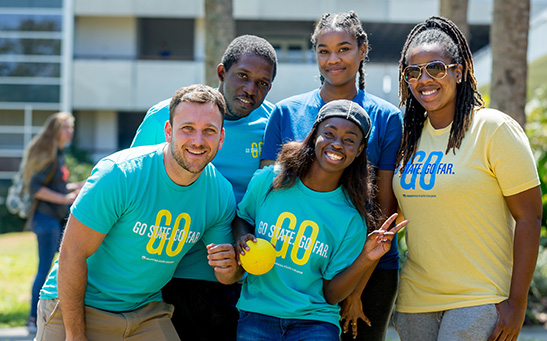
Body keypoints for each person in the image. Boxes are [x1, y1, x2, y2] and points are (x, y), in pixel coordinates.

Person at [35, 84, 242, 340]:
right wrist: (75, 336)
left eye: (209, 131)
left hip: (145, 312)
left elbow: (226, 275)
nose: (198, 141)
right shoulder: (120, 174)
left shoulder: (220, 193)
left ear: (221, 138)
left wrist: (232, 268)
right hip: (78, 305)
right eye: (187, 128)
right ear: (169, 131)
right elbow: (71, 252)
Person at [392, 16, 542, 341]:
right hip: (415, 300)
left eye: (435, 68)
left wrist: (517, 302)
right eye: (413, 72)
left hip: (479, 298)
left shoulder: (493, 129)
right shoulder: (407, 139)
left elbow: (529, 216)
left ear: (458, 72)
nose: (424, 79)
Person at [260, 11, 403, 340]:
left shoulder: (387, 117)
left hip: (369, 270)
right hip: (294, 266)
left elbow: (382, 210)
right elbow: (267, 196)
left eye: (344, 49)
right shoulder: (286, 112)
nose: (333, 59)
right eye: (323, 51)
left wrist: (355, 290)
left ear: (362, 50)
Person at [131, 34, 277, 340]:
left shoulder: (272, 125)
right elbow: (135, 185)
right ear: (222, 73)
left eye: (262, 83)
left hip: (232, 276)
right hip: (164, 269)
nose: (251, 89)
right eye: (243, 76)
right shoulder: (166, 115)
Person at [229, 100, 407, 340]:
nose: (337, 144)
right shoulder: (269, 181)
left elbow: (332, 295)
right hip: (258, 313)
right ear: (314, 136)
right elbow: (242, 217)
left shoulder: (352, 219)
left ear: (360, 150)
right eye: (329, 134)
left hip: (315, 322)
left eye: (349, 140)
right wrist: (242, 236)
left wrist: (366, 257)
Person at [21, 112, 82, 333]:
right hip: (44, 219)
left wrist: (74, 188)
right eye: (66, 127)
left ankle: (46, 315)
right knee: (45, 268)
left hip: (55, 219)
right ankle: (32, 318)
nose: (70, 132)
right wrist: (63, 198)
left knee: (60, 266)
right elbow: (34, 187)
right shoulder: (46, 153)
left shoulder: (58, 153)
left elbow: (56, 186)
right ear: (54, 130)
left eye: (71, 127)